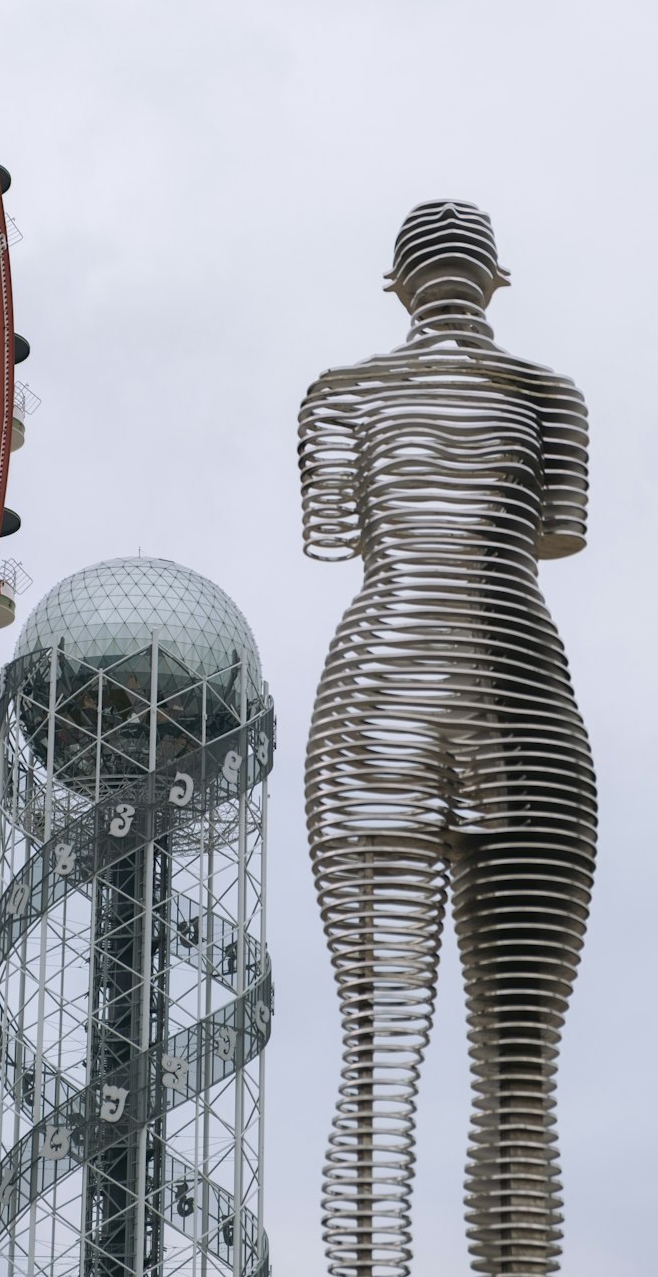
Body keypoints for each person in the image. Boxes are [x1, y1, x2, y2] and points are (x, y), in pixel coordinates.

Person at [298, 201, 596, 1275]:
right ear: (495, 279)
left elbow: (328, 534)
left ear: (397, 285)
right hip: (524, 702)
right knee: (519, 1075)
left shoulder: (337, 395)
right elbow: (558, 531)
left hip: (375, 694)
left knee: (379, 1051)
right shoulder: (549, 395)